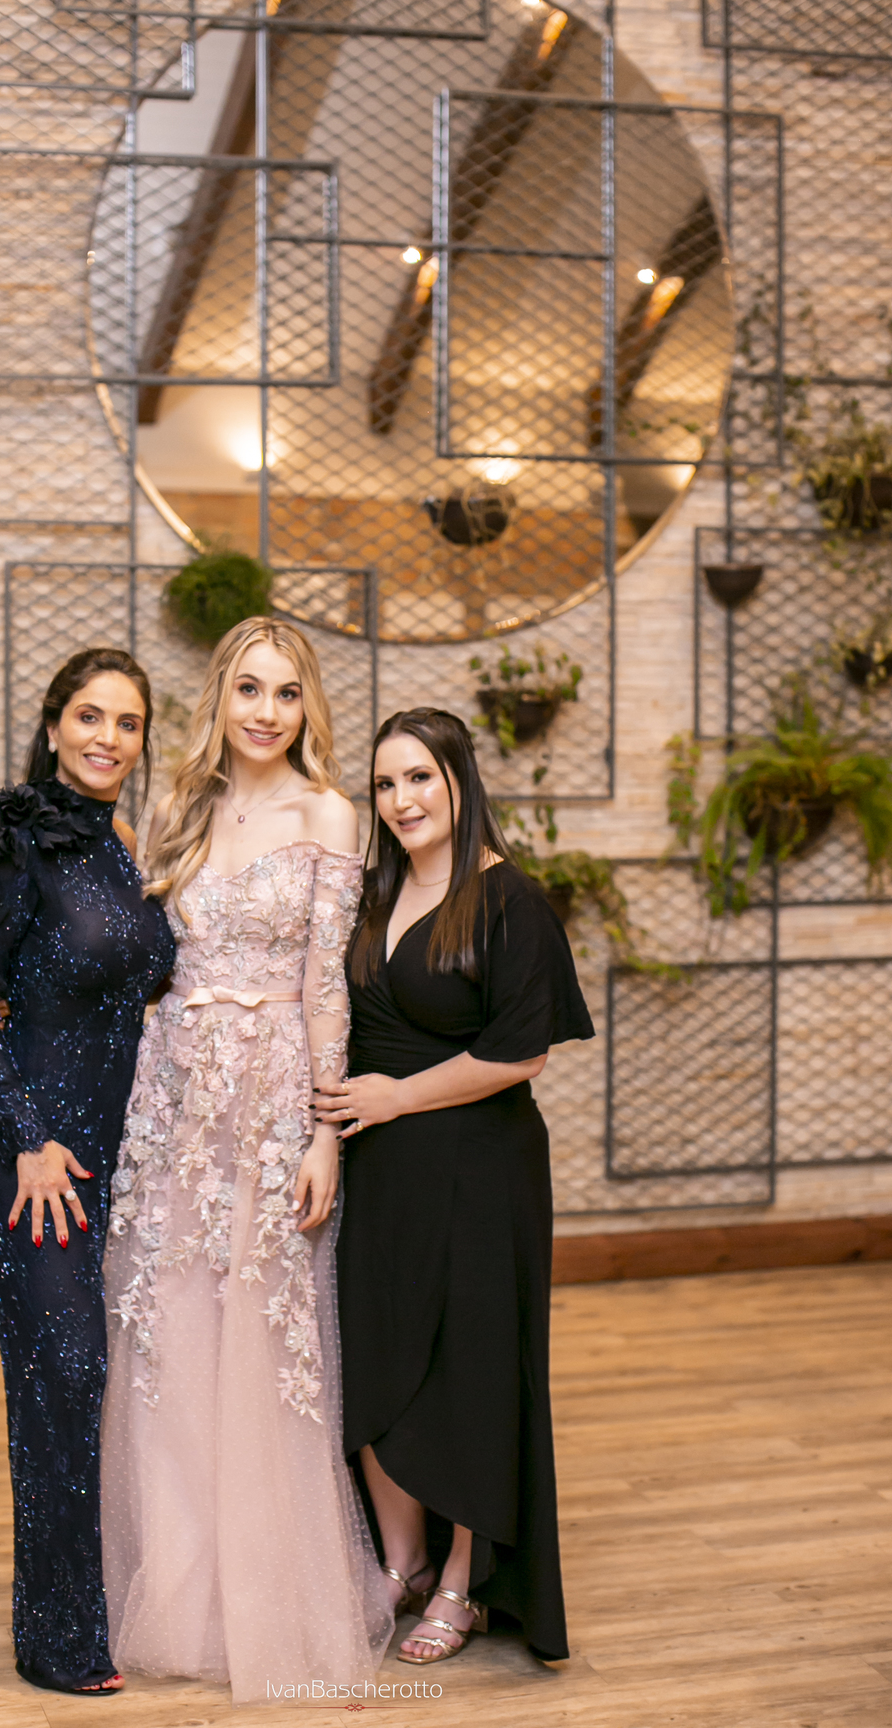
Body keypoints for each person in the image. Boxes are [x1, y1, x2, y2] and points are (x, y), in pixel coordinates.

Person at [101, 617, 393, 1702]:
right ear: (219, 698)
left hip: (270, 1104)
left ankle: (268, 1604)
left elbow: (327, 987)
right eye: (249, 690)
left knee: (266, 1344)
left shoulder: (329, 813)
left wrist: (323, 1133)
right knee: (167, 1335)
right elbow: (144, 962)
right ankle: (175, 1594)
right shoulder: (176, 806)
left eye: (286, 693)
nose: (266, 713)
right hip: (173, 1096)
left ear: (308, 706)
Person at [318, 707, 593, 1667]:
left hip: (481, 1168)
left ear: (459, 781)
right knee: (373, 1360)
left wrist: (396, 1097)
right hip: (380, 1172)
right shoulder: (371, 892)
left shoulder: (509, 900)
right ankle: (402, 1562)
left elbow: (521, 1055)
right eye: (385, 783)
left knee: (471, 1372)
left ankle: (463, 1584)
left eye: (419, 778)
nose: (401, 801)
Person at [0, 648, 175, 1695]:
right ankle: (57, 1638)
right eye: (89, 716)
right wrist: (29, 1138)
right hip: (36, 1156)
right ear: (51, 726)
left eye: (128, 723)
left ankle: (102, 1602)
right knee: (63, 1372)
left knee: (106, 1377)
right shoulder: (16, 844)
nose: (107, 739)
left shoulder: (125, 845)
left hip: (124, 1147)